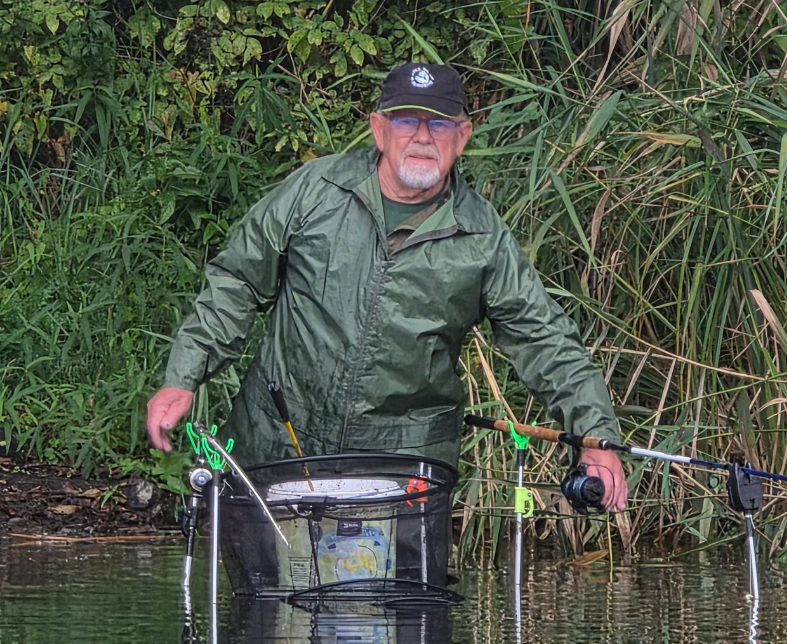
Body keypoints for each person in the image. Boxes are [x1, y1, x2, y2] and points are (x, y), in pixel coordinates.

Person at [146, 62, 627, 509]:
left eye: (438, 124)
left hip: (400, 470)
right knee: (268, 597)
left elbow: (545, 341)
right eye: (406, 122)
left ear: (462, 137)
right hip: (276, 443)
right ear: (379, 129)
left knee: (388, 602)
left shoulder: (484, 238)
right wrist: (183, 376)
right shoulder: (315, 189)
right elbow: (237, 282)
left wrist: (595, 437)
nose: (421, 137)